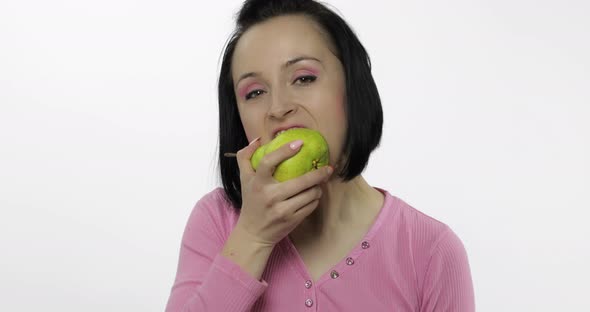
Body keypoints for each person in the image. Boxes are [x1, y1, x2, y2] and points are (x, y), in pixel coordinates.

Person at [165, 0, 475, 311]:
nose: (278, 108)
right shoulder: (218, 221)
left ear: (352, 87)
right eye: (255, 92)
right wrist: (253, 237)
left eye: (304, 78)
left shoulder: (431, 251)